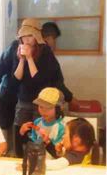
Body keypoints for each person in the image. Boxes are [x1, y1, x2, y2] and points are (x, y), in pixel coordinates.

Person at [9, 19, 69, 157]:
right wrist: (22, 59)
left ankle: (38, 158)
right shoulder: (18, 49)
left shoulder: (45, 51)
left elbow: (39, 80)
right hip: (24, 98)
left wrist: (29, 58)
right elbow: (16, 78)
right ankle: (20, 157)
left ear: (37, 36)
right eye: (23, 36)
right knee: (20, 130)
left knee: (39, 132)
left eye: (30, 36)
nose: (26, 39)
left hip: (41, 99)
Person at [19, 87, 65, 154]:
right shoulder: (37, 122)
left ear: (59, 108)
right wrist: (23, 133)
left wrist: (47, 141)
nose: (44, 111)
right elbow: (33, 144)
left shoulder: (61, 127)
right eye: (41, 107)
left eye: (48, 108)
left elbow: (58, 153)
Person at [42, 21, 76, 108]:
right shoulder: (47, 55)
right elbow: (57, 82)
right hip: (41, 101)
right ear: (48, 38)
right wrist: (71, 99)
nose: (55, 43)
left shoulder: (32, 50)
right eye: (55, 40)